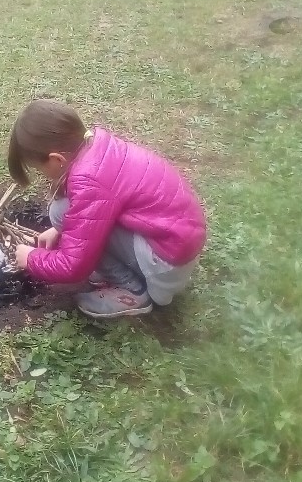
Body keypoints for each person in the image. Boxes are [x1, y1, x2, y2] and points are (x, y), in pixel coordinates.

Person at [10, 99, 206, 318]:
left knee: (65, 216)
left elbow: (74, 267)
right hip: (175, 242)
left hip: (165, 263)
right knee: (62, 213)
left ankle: (132, 290)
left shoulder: (89, 181)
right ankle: (124, 271)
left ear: (57, 159)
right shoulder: (98, 147)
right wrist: (60, 229)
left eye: (39, 169)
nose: (43, 175)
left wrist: (31, 258)